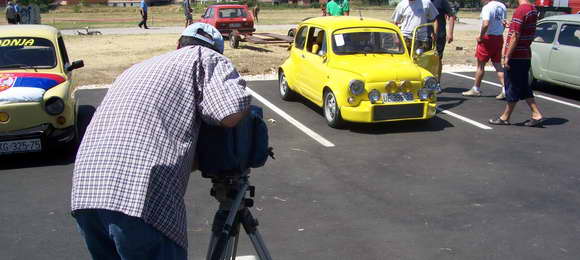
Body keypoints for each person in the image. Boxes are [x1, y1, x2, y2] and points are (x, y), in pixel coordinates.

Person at [71, 23, 252, 259]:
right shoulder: (206, 58)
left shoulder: (137, 69)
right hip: (138, 197)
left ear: (178, 44)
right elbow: (229, 113)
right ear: (217, 51)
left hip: (87, 191)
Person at [488, 0, 544, 127]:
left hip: (516, 56)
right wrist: (511, 25)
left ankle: (505, 117)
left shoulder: (521, 10)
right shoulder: (532, 9)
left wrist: (507, 56)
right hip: (525, 54)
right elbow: (521, 30)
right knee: (524, 86)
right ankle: (536, 114)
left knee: (512, 86)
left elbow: (515, 35)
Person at [462, 0, 507, 99]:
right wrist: (499, 31)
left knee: (480, 65)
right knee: (498, 64)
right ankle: (505, 89)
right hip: (499, 37)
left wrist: (481, 36)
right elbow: (504, 23)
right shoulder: (502, 6)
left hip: (488, 38)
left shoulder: (487, 7)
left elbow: (485, 24)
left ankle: (476, 89)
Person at [430, 0, 456, 84]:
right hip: (424, 34)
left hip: (439, 35)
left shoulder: (441, 1)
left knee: (437, 58)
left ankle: (437, 82)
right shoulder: (422, 1)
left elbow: (451, 16)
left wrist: (450, 33)